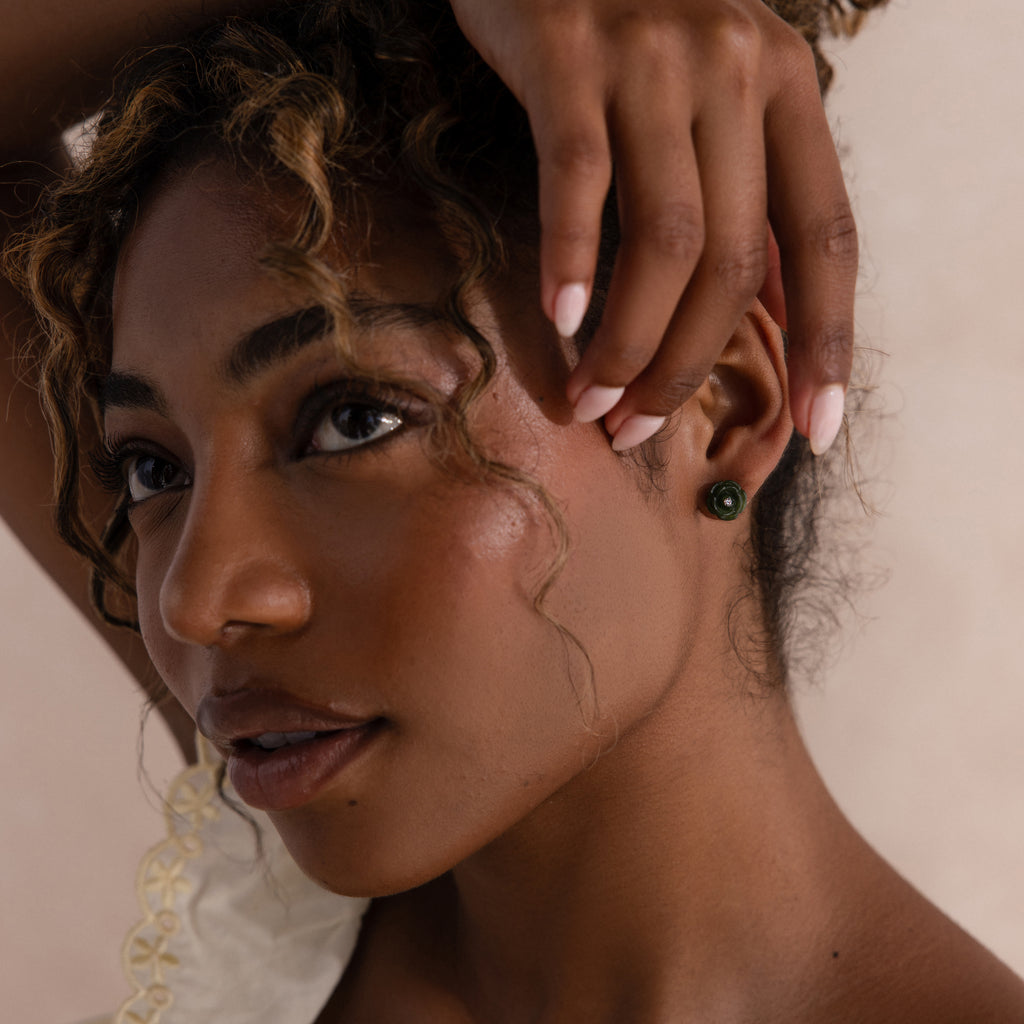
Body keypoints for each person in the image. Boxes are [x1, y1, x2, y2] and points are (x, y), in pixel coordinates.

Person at [2, 1, 1022, 1022]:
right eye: (150, 468)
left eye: (353, 419)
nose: (198, 598)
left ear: (719, 407)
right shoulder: (272, 899)